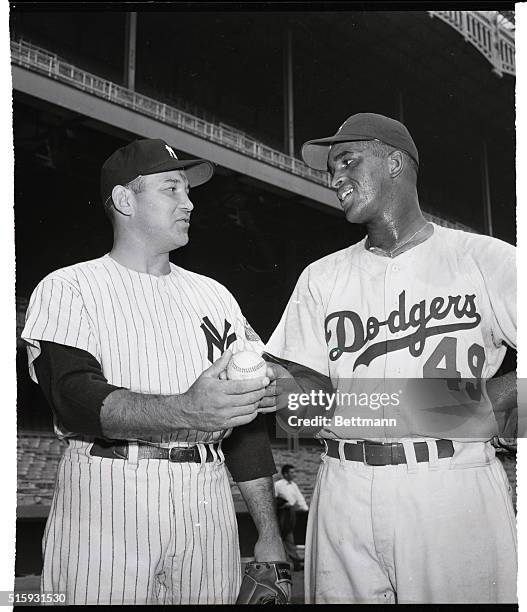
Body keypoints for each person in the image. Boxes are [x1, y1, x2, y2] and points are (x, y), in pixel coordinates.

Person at [264, 113, 517, 604]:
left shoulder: (484, 258)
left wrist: (499, 401)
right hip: (341, 488)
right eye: (331, 167)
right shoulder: (321, 276)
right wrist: (273, 387)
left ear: (396, 163)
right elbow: (295, 404)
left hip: (450, 484)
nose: (335, 176)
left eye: (348, 160)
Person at [21, 138, 286, 605]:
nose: (188, 203)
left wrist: (267, 532)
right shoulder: (69, 287)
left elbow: (246, 426)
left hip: (208, 499)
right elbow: (74, 397)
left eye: (188, 191)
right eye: (171, 189)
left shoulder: (216, 296)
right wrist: (187, 410)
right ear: (125, 199)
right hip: (106, 499)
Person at [274, 464, 308, 571]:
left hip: (290, 514)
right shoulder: (278, 485)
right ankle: (295, 562)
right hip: (280, 514)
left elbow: (300, 499)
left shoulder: (294, 485)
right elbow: (272, 500)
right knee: (284, 538)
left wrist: (306, 510)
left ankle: (295, 561)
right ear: (285, 474)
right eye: (291, 472)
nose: (294, 474)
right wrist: (282, 505)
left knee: (288, 537)